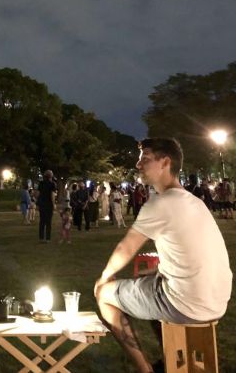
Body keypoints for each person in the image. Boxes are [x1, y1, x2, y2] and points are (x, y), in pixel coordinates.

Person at [94, 138, 232, 373]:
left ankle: (144, 369)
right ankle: (171, 361)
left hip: (186, 304)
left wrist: (104, 277)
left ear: (165, 162)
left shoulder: (161, 203)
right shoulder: (195, 202)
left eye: (145, 159)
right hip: (217, 302)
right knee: (150, 286)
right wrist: (159, 271)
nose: (138, 165)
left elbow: (126, 248)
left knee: (104, 294)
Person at [37, 169, 56, 242]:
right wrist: (53, 204)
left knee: (42, 221)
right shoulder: (52, 184)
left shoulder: (41, 183)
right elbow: (52, 195)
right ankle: (48, 238)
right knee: (48, 222)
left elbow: (38, 194)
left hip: (42, 204)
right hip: (48, 204)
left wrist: (37, 201)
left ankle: (41, 238)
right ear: (51, 176)